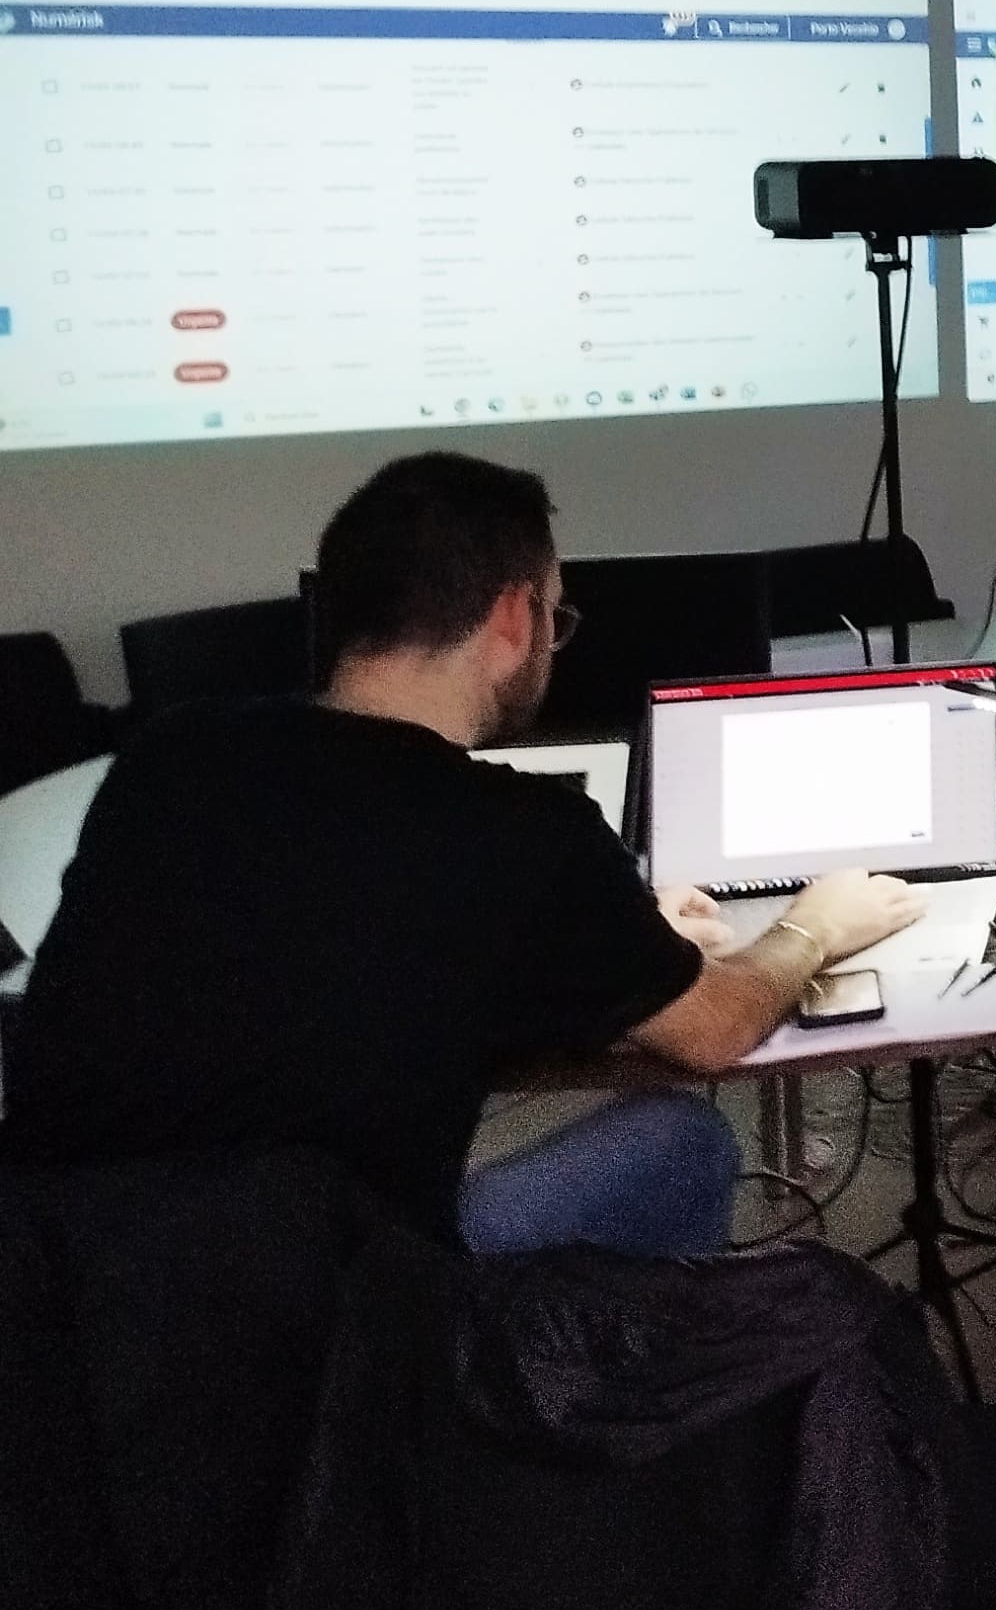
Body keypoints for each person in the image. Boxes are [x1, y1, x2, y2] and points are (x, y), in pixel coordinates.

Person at [0, 453, 921, 1253]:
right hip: (331, 1314)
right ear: (513, 618)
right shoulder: (524, 830)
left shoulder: (172, 756)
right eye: (555, 617)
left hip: (54, 1296)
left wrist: (611, 944)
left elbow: (318, 958)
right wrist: (812, 926)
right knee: (683, 1145)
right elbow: (713, 1029)